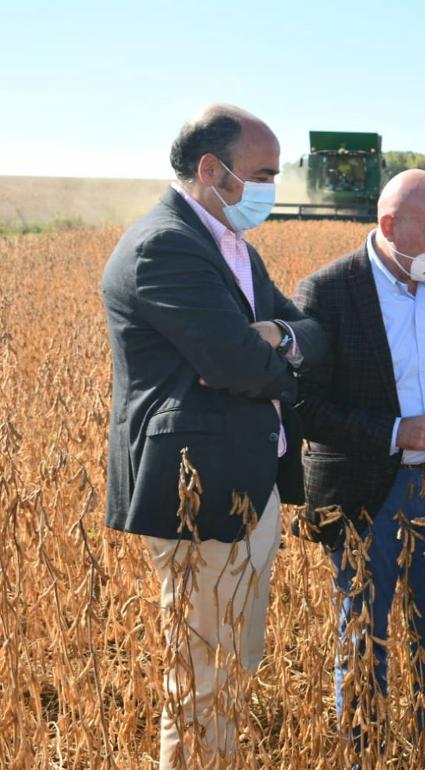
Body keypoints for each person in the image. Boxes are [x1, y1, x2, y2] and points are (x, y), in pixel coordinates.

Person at [100, 104, 325, 769]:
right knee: (199, 683)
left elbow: (305, 330)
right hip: (198, 500)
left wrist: (277, 339)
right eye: (262, 173)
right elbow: (231, 362)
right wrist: (268, 356)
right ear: (210, 169)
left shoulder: (232, 247)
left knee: (229, 672)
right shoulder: (163, 245)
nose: (271, 188)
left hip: (246, 487)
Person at [292, 170, 425, 749]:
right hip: (366, 490)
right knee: (361, 635)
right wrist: (396, 431)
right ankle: (364, 753)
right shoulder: (326, 291)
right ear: (387, 227)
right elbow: (305, 406)